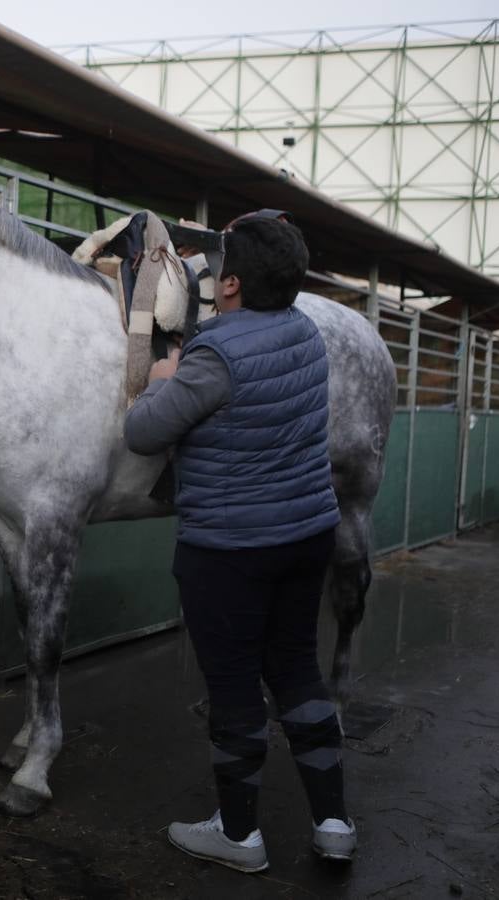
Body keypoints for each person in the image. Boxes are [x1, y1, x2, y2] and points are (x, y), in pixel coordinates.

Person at [123, 216, 356, 873]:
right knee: (297, 671)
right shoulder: (308, 335)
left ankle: (239, 834)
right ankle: (334, 822)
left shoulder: (214, 356)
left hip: (230, 550)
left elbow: (142, 433)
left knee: (232, 689)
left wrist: (166, 373)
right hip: (307, 534)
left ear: (229, 284)